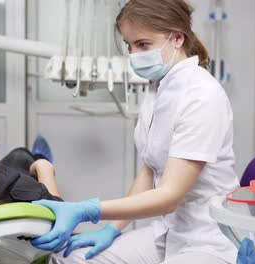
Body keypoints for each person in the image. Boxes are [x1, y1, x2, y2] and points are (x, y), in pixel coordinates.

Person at [31, 0, 240, 263]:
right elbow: (150, 169)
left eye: (143, 45)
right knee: (71, 258)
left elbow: (169, 197)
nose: (133, 55)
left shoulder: (202, 96)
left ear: (177, 38)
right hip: (169, 233)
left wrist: (88, 210)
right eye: (129, 45)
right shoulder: (157, 88)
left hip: (210, 240)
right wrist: (110, 229)